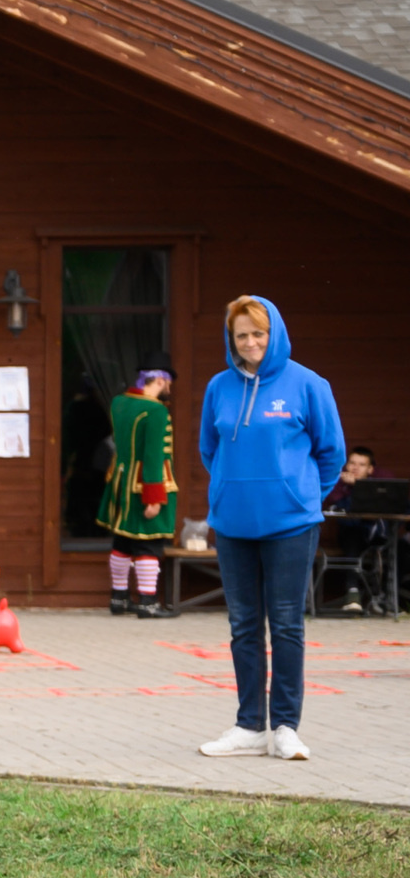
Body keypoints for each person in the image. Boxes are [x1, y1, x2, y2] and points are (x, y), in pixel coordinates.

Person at [195, 295, 346, 761]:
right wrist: (226, 491)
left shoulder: (308, 385)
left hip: (291, 526)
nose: (250, 342)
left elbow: (332, 453)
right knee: (243, 627)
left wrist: (301, 496)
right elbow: (209, 449)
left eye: (258, 333)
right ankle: (248, 726)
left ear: (273, 332)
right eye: (241, 335)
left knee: (285, 626)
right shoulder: (218, 387)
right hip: (234, 525)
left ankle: (284, 727)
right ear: (231, 339)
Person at [96, 353, 176, 617]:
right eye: (169, 382)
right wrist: (155, 496)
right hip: (144, 485)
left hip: (120, 480)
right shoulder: (155, 411)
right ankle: (147, 601)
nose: (170, 389)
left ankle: (118, 598)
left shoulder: (119, 402)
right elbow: (153, 456)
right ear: (160, 380)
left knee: (122, 540)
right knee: (147, 543)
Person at [321, 445, 380, 614]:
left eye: (361, 464)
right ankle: (352, 593)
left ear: (370, 469)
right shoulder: (338, 485)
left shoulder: (379, 486)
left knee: (397, 548)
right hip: (348, 537)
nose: (355, 467)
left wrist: (360, 486)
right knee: (352, 536)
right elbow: (342, 507)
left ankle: (383, 599)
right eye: (352, 463)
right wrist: (354, 487)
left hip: (377, 536)